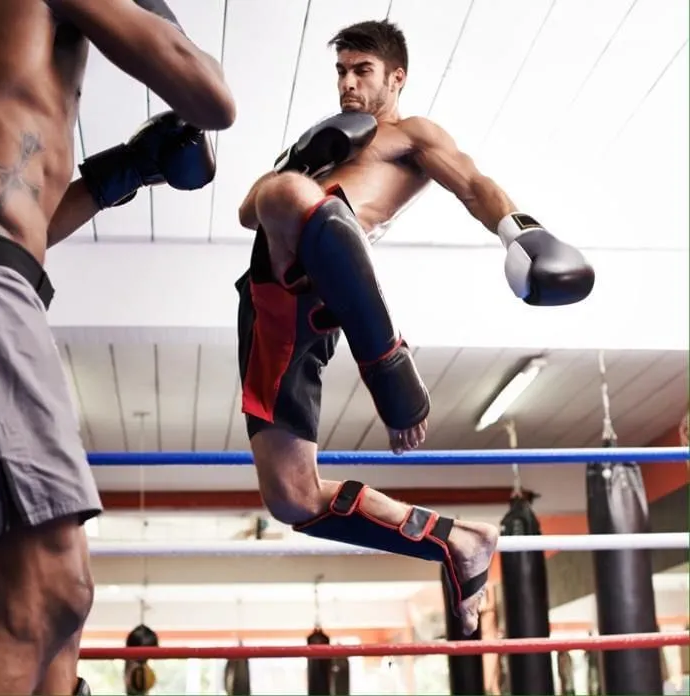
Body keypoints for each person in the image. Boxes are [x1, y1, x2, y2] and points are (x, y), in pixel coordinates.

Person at [0, 1, 235, 693]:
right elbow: (212, 99)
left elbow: (18, 212)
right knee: (45, 597)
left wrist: (125, 171)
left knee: (61, 615)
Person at [234, 19, 594, 635]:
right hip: (268, 301)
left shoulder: (411, 134)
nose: (347, 83)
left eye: (362, 71)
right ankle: (460, 541)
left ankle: (389, 365)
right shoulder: (324, 143)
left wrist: (522, 233)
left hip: (324, 276)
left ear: (396, 77)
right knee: (291, 497)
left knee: (289, 195)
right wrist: (303, 157)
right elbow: (249, 213)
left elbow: (474, 184)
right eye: (341, 71)